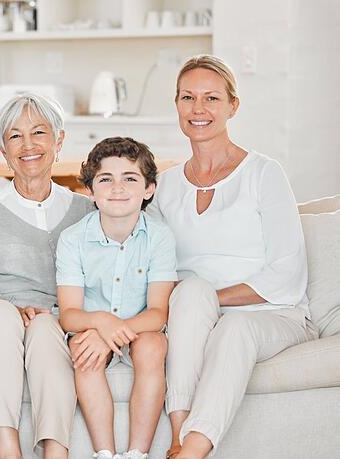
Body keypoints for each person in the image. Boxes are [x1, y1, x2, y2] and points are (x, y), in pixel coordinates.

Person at [149, 55, 318, 459]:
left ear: (232, 106)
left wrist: (208, 299)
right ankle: (178, 433)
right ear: (176, 105)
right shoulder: (165, 186)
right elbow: (152, 267)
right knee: (190, 295)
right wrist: (193, 300)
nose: (198, 108)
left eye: (211, 98)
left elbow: (286, 274)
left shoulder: (264, 173)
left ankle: (192, 450)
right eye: (188, 97)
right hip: (189, 315)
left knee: (229, 326)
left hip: (272, 314)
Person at [0, 93, 95, 459]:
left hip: (55, 319)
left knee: (46, 329)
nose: (28, 145)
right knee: (2, 315)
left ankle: (55, 451)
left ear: (59, 141)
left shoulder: (85, 210)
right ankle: (9, 451)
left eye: (39, 132)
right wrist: (7, 307)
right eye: (15, 136)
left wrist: (50, 315)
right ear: (3, 149)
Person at [56, 137, 177, 459]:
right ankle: (105, 453)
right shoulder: (73, 240)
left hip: (141, 326)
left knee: (153, 346)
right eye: (106, 179)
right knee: (85, 354)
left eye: (130, 179)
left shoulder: (160, 237)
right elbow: (69, 314)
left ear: (149, 189)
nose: (117, 188)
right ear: (90, 191)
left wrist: (115, 328)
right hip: (91, 326)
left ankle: (138, 452)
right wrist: (99, 324)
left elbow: (158, 312)